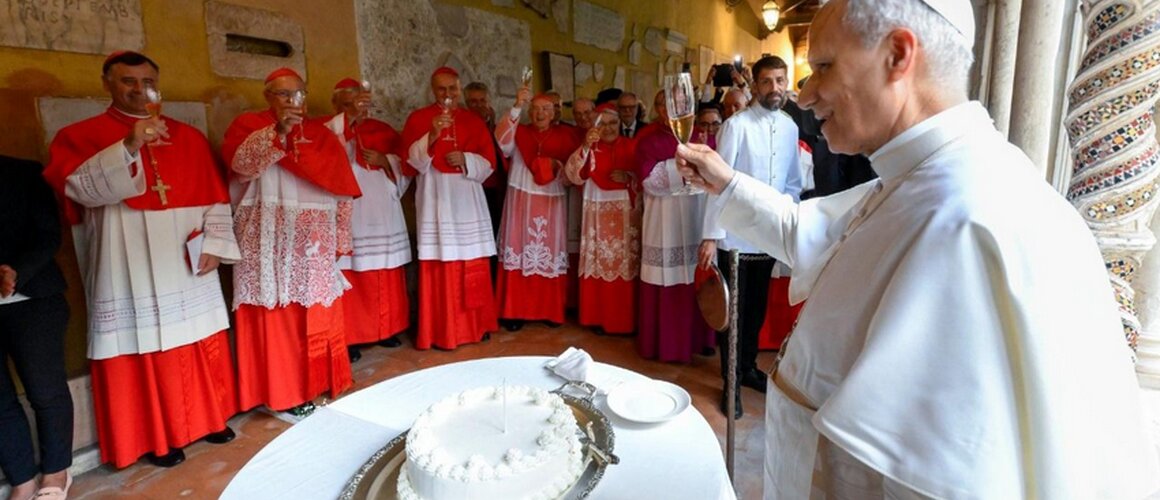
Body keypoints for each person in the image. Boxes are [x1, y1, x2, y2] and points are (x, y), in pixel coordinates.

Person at [676, 0, 1160, 497]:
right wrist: (728, 183)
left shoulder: (972, 217)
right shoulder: (922, 175)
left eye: (823, 66)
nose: (805, 94)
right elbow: (812, 231)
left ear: (898, 55)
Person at [43, 50, 240, 468]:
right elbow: (79, 192)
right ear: (107, 84)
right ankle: (158, 437)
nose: (138, 89)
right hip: (126, 257)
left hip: (186, 255)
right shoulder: (78, 135)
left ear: (157, 84)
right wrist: (130, 145)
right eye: (127, 81)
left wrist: (215, 245)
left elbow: (215, 197)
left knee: (198, 334)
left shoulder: (188, 137)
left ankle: (209, 419)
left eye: (146, 81)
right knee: (142, 343)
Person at [224, 67, 361, 418]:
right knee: (277, 314)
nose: (291, 101)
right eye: (283, 94)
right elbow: (240, 167)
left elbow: (342, 187)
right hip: (267, 242)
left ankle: (313, 385)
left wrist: (340, 237)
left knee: (314, 312)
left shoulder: (320, 134)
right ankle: (280, 394)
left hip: (312, 242)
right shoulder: (248, 126)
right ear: (268, 96)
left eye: (297, 93)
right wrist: (277, 134)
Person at [700, 55, 801, 417]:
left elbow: (792, 183)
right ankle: (730, 382)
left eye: (779, 80)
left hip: (769, 236)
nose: (774, 88)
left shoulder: (790, 127)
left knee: (756, 311)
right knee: (735, 314)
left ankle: (746, 369)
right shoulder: (737, 126)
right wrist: (711, 235)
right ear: (754, 86)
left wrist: (788, 227)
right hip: (736, 238)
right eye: (767, 81)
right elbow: (716, 183)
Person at [400, 67, 499, 349]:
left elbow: (489, 164)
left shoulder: (473, 121)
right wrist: (431, 135)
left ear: (459, 89)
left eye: (453, 89)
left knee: (472, 262)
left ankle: (476, 326)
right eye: (442, 89)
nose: (448, 95)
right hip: (436, 199)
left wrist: (467, 158)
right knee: (440, 265)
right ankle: (441, 331)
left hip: (468, 199)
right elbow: (410, 163)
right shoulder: (419, 118)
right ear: (433, 90)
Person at [324, 78, 411, 361]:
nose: (356, 110)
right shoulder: (326, 130)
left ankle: (386, 330)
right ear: (336, 105)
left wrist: (386, 161)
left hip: (383, 212)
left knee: (384, 270)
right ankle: (352, 336)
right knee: (353, 272)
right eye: (348, 105)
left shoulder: (383, 130)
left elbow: (406, 165)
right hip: (350, 213)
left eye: (360, 104)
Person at [1, 157, 73, 499]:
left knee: (46, 391)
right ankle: (22, 480)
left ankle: (56, 473)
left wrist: (16, 270)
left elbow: (48, 235)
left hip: (33, 299)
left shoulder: (24, 172)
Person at [635, 99, 715, 362]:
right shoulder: (648, 140)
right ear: (657, 109)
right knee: (666, 279)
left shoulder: (702, 140)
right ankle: (666, 346)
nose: (671, 111)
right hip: (663, 222)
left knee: (697, 277)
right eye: (663, 105)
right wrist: (683, 168)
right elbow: (649, 181)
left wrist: (691, 167)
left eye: (679, 105)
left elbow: (717, 177)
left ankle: (699, 341)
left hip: (697, 217)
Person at [493, 90, 578, 330]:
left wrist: (555, 165)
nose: (539, 113)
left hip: (551, 199)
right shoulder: (521, 131)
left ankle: (548, 310)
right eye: (536, 109)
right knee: (519, 250)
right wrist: (517, 105)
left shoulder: (565, 135)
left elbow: (571, 171)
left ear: (554, 114)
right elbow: (502, 141)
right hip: (521, 198)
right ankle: (513, 311)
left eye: (546, 109)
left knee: (547, 251)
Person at [564, 103, 641, 335]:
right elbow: (572, 176)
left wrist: (629, 176)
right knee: (599, 259)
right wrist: (586, 146)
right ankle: (597, 317)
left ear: (620, 124)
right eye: (603, 124)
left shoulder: (633, 146)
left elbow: (648, 179)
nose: (608, 128)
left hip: (626, 216)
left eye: (613, 123)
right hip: (596, 213)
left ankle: (624, 319)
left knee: (624, 263)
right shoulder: (590, 149)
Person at [464, 81, 508, 240]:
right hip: (471, 186)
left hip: (494, 187)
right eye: (473, 102)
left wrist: (490, 126)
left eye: (482, 101)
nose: (479, 106)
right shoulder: (462, 126)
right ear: (466, 104)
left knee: (494, 228)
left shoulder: (496, 127)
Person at [565, 96, 597, 311]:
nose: (583, 118)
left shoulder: (604, 131)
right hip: (575, 196)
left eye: (587, 113)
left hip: (598, 198)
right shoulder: (569, 134)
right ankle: (572, 301)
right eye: (578, 114)